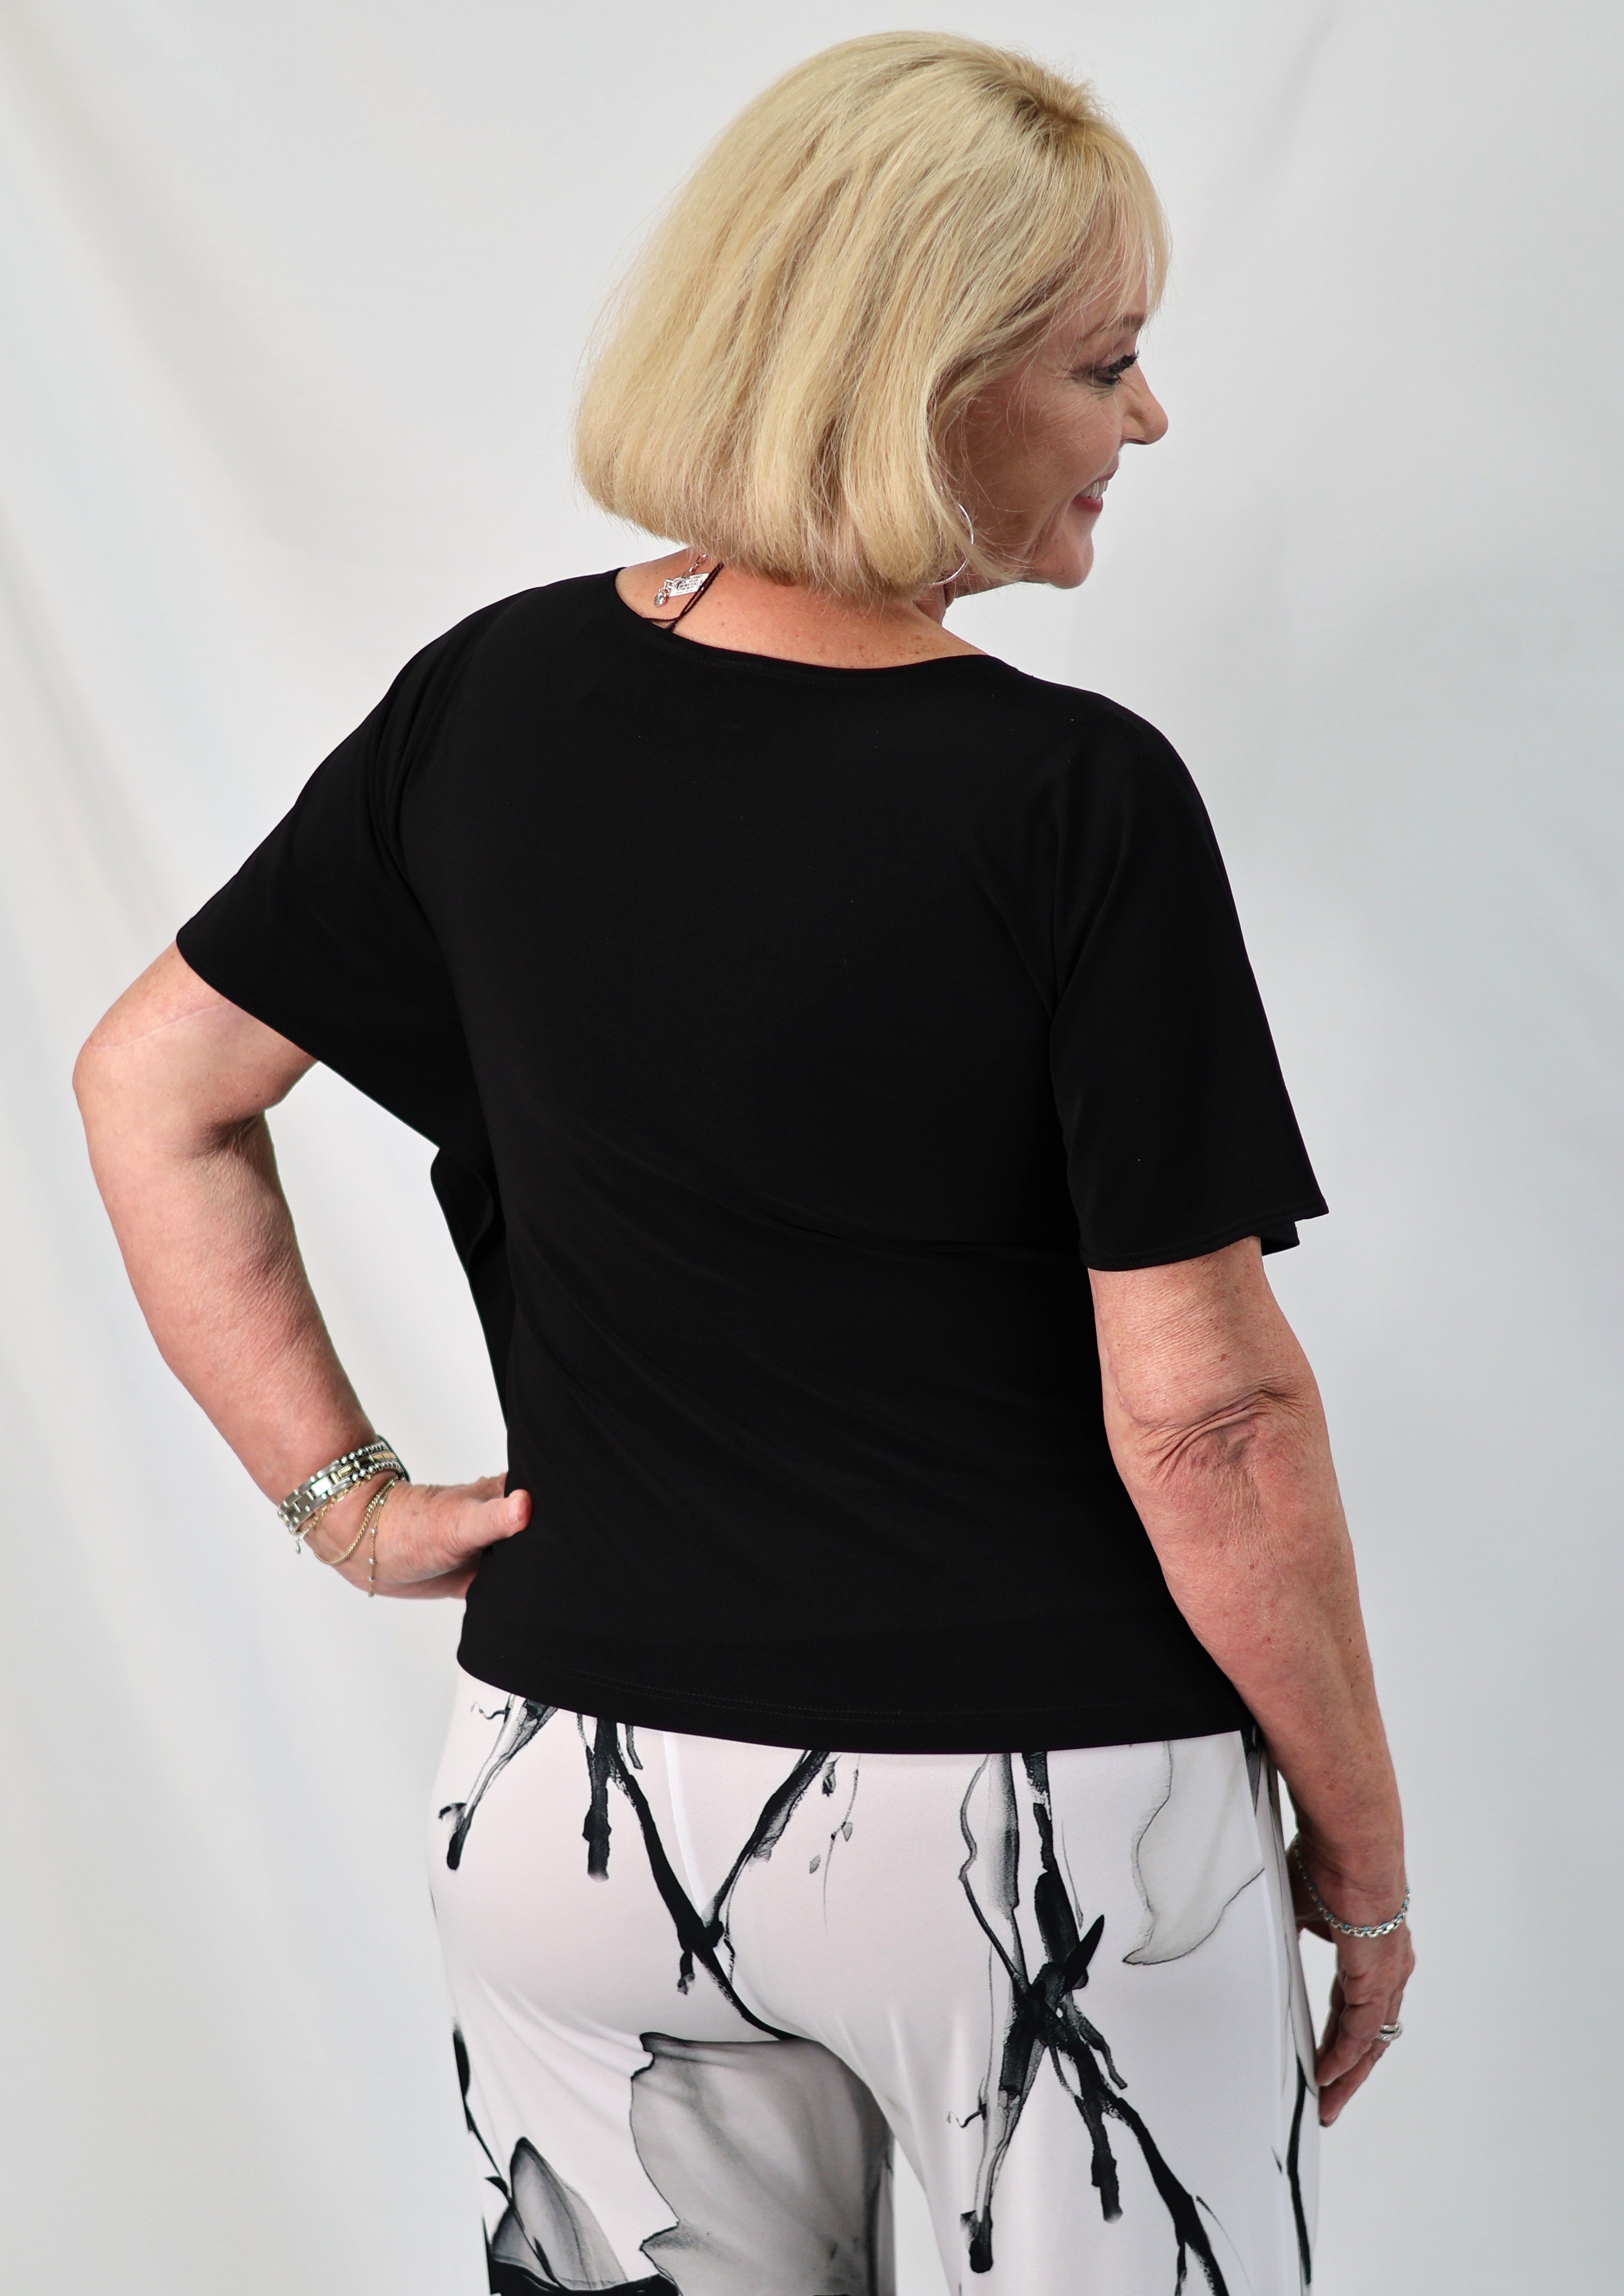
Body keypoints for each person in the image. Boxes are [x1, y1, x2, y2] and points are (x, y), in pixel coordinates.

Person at [74, 32, 1411, 2296]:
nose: (1151, 421)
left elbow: (152, 1084)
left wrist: (346, 1502)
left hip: (573, 1803)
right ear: (925, 383)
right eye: (1105, 365)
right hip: (1032, 1831)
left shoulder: (490, 702)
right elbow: (1209, 1415)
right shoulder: (1070, 798)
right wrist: (1358, 1864)